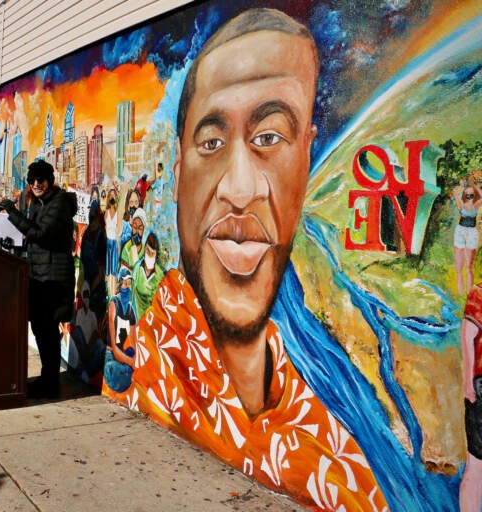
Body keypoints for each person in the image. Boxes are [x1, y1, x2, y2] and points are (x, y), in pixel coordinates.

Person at [102, 8, 390, 510]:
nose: (239, 189)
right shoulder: (152, 358)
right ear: (177, 175)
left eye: (270, 138)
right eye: (210, 143)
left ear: (306, 160)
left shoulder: (333, 434)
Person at [0, 160, 78, 399]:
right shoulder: (39, 204)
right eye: (32, 181)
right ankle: (47, 379)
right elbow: (32, 235)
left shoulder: (60, 203)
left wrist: (12, 212)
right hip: (39, 276)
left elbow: (40, 234)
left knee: (48, 331)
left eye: (40, 179)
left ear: (49, 180)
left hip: (53, 279)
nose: (36, 184)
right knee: (41, 329)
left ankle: (50, 383)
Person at [461, 283, 482, 512]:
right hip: (481, 385)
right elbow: (467, 336)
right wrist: (468, 382)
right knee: (476, 465)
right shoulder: (479, 292)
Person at [104, 267, 136, 393]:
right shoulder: (114, 303)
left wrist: (133, 358)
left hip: (122, 355)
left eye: (129, 283)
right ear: (119, 284)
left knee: (129, 356)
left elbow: (134, 345)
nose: (127, 287)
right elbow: (115, 349)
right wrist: (131, 362)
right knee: (115, 373)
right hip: (111, 354)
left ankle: (125, 370)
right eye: (125, 283)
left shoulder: (130, 309)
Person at [453, 181, 482, 296]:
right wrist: (461, 188)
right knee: (459, 268)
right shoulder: (461, 204)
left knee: (469, 267)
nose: (469, 198)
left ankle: (469, 294)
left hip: (471, 233)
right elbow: (455, 193)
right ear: (464, 196)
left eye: (472, 195)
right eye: (467, 195)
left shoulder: (476, 205)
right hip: (460, 231)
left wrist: (474, 186)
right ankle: (460, 295)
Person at [79, 199, 107, 319]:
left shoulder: (101, 237)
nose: (92, 219)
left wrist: (90, 290)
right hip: (85, 285)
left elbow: (101, 272)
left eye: (94, 216)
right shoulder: (86, 234)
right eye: (90, 216)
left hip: (96, 291)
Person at [130, 231, 164, 317]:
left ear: (156, 257)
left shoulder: (160, 277)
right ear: (145, 249)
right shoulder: (137, 269)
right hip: (136, 319)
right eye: (148, 251)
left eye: (152, 254)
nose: (149, 255)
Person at [104, 188, 121, 296]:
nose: (112, 197)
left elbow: (119, 229)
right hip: (107, 242)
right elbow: (104, 226)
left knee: (113, 271)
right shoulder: (105, 212)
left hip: (114, 242)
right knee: (107, 270)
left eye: (113, 195)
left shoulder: (118, 213)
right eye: (110, 195)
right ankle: (106, 294)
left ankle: (113, 295)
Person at [119, 207, 146, 271]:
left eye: (140, 228)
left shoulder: (145, 249)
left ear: (144, 230)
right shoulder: (126, 249)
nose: (136, 231)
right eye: (135, 227)